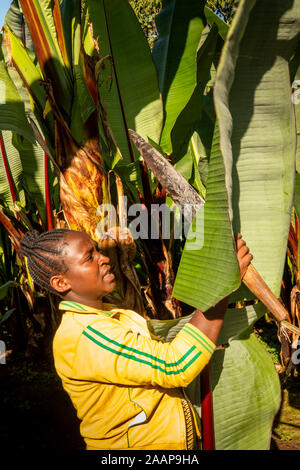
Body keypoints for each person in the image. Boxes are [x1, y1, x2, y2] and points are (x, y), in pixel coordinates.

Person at [20, 228, 252, 450]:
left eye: (97, 249)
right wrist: (223, 286)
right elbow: (174, 365)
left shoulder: (108, 317)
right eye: (89, 257)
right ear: (61, 283)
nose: (104, 258)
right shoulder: (86, 335)